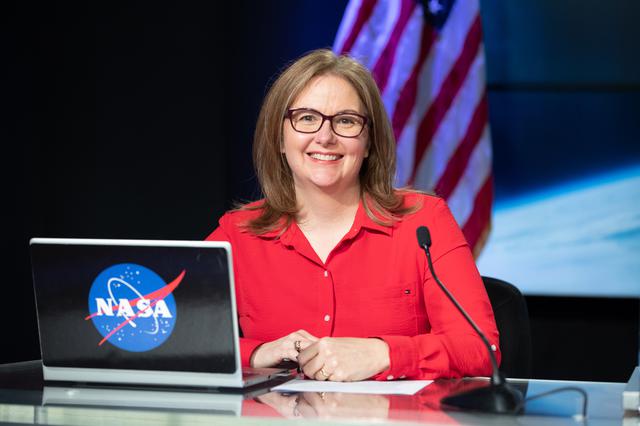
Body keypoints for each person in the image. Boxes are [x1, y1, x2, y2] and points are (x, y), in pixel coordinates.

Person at [207, 48, 499, 382]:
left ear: (369, 142)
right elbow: (174, 337)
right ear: (279, 138)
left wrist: (382, 353)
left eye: (346, 121)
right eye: (306, 118)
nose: (325, 137)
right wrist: (257, 353)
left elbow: (480, 347)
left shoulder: (424, 222)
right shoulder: (237, 234)